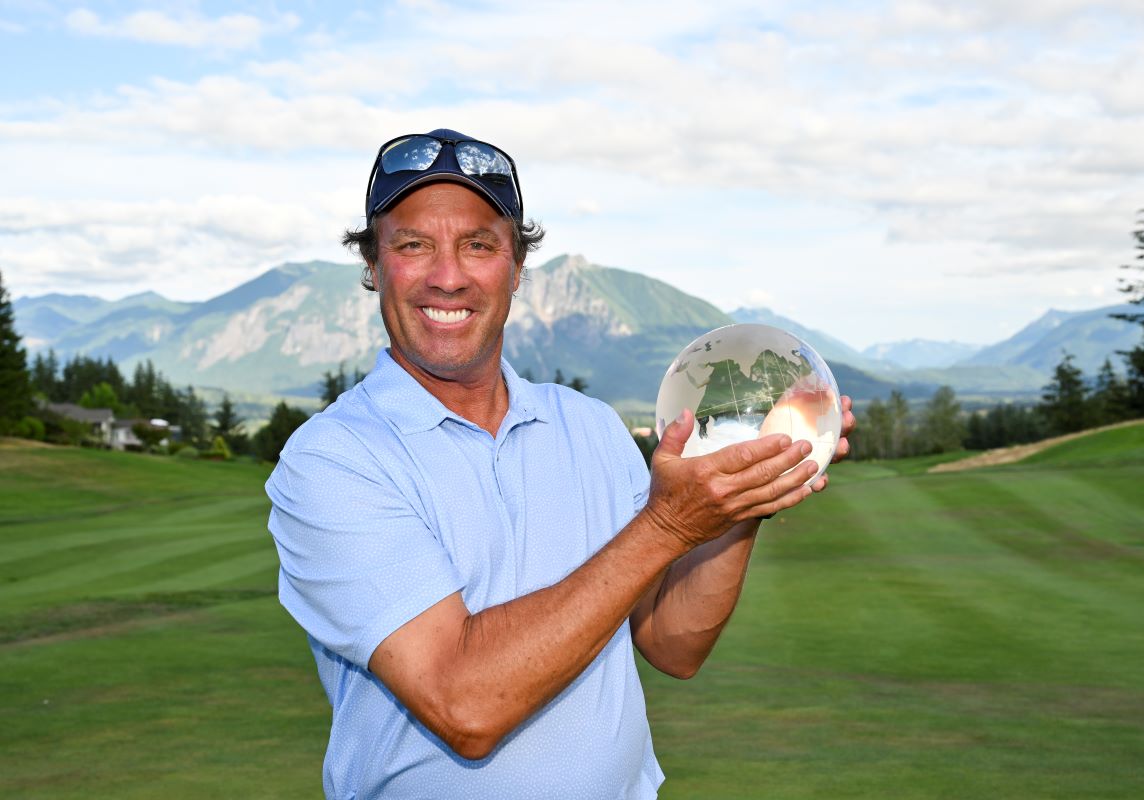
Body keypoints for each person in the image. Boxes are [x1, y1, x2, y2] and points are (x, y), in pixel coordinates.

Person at [266, 128, 855, 799]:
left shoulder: (590, 426)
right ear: (374, 265)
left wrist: (737, 501)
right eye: (412, 245)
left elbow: (672, 644)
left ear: (516, 269)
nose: (448, 275)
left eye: (479, 245)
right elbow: (464, 704)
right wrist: (666, 527)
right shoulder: (331, 459)